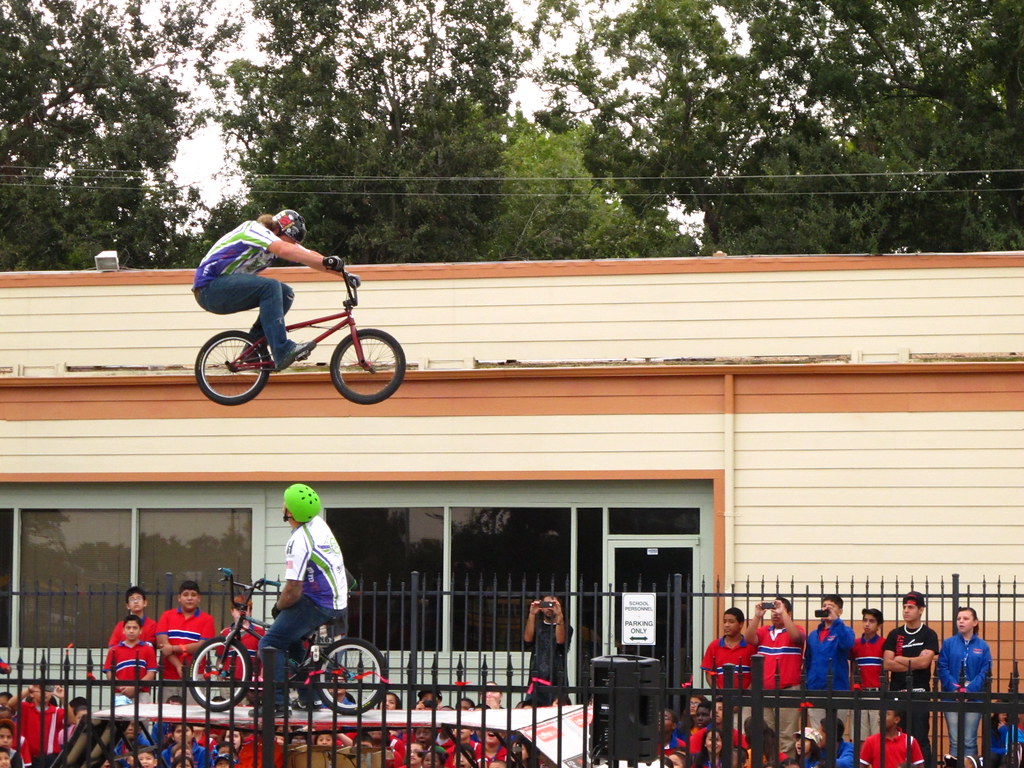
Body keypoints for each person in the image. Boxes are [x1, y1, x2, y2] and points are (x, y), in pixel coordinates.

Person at [192, 210, 337, 371]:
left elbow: (310, 255)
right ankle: (282, 350)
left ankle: (252, 351)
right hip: (209, 288)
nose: (291, 245)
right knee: (270, 287)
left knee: (285, 293)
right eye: (290, 240)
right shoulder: (253, 229)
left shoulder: (279, 240)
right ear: (277, 230)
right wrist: (323, 261)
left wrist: (344, 272)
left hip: (225, 290)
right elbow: (284, 249)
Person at [255, 483, 348, 717]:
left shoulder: (299, 541)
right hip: (334, 596)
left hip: (319, 600)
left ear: (291, 512)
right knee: (293, 640)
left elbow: (293, 590)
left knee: (270, 643)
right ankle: (310, 698)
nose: (283, 505)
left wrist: (278, 607)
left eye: (285, 503)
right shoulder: (318, 524)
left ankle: (276, 704)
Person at [882, 591, 939, 768]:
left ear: (921, 610)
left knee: (920, 738)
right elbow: (887, 664)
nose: (906, 610)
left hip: (919, 693)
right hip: (897, 693)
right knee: (898, 737)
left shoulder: (929, 634)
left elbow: (924, 662)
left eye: (911, 607)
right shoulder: (895, 634)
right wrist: (911, 662)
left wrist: (900, 659)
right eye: (904, 607)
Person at [743, 597, 805, 756]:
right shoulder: (764, 631)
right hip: (765, 691)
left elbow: (797, 638)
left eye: (779, 609)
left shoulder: (796, 629)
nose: (775, 613)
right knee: (766, 734)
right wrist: (757, 616)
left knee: (787, 735)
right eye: (773, 610)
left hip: (788, 690)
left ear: (788, 612)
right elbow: (749, 639)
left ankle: (787, 765)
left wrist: (783, 614)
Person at [937, 606, 992, 763]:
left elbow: (985, 671)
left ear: (975, 622)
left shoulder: (983, 646)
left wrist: (969, 691)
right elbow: (942, 667)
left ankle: (969, 765)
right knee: (954, 740)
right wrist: (955, 689)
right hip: (951, 698)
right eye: (959, 618)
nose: (961, 621)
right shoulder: (948, 643)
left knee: (969, 740)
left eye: (965, 618)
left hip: (974, 698)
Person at [155, 580, 216, 703]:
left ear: (199, 598)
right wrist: (179, 665)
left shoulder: (207, 619)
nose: (189, 598)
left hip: (195, 675)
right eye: (186, 594)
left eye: (193, 595)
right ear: (179, 598)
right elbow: (162, 644)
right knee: (167, 716)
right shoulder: (166, 616)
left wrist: (173, 648)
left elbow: (201, 646)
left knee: (193, 717)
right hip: (169, 675)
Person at [804, 595, 855, 729]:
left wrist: (836, 622)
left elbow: (847, 644)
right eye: (824, 606)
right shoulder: (813, 635)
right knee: (817, 732)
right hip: (815, 689)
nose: (826, 609)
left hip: (837, 687)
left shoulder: (845, 631)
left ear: (840, 611)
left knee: (836, 731)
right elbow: (808, 660)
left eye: (831, 607)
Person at [523, 595, 572, 706]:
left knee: (558, 711)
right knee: (531, 709)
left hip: (557, 678)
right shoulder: (537, 626)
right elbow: (527, 640)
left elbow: (560, 641)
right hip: (536, 678)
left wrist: (559, 615)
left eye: (552, 605)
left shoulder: (566, 628)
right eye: (546, 605)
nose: (549, 608)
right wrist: (532, 614)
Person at [103, 615, 158, 706]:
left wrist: (135, 688)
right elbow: (109, 673)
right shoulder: (114, 650)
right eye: (128, 628)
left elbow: (151, 673)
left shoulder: (148, 649)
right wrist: (123, 688)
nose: (131, 631)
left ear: (140, 630)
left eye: (135, 628)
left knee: (141, 720)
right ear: (123, 630)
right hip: (120, 693)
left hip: (142, 694)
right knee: (120, 720)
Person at [851, 608, 885, 739]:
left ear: (879, 625)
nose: (867, 624)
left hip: (877, 693)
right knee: (859, 735)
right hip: (859, 692)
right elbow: (853, 669)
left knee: (877, 734)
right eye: (865, 620)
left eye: (871, 621)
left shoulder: (884, 644)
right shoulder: (855, 644)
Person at [701, 608, 755, 689]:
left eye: (731, 622)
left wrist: (746, 696)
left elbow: (756, 674)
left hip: (745, 697)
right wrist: (718, 693)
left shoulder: (750, 646)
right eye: (725, 621)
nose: (726, 625)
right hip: (722, 697)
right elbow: (709, 673)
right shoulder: (714, 646)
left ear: (741, 624)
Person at [12, 685, 65, 767]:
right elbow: (11, 704)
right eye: (41, 690)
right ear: (32, 693)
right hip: (26, 757)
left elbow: (71, 720)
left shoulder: (57, 711)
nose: (45, 693)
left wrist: (63, 698)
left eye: (48, 690)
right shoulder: (25, 707)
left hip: (49, 758)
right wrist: (28, 689)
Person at [858, 709, 924, 768]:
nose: (880, 718)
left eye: (886, 714)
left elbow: (919, 765)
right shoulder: (871, 741)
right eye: (880, 715)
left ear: (896, 720)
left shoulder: (910, 740)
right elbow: (862, 765)